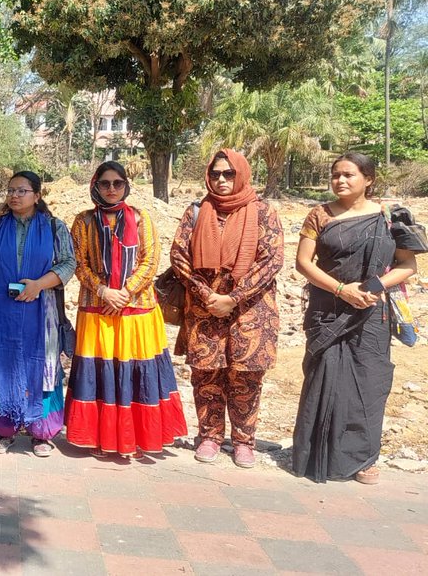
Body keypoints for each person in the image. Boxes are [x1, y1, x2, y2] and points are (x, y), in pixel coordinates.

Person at [293, 152, 425, 485]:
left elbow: (408, 266)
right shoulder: (319, 215)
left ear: (368, 179)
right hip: (327, 310)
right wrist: (342, 290)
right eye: (335, 174)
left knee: (368, 383)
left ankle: (362, 459)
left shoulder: (389, 217)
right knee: (323, 379)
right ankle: (313, 454)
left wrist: (372, 287)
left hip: (371, 313)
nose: (340, 180)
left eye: (349, 175)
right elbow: (303, 263)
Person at [170, 150, 284, 468]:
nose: (221, 180)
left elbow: (271, 259)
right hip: (204, 307)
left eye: (229, 174)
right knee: (206, 374)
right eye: (217, 173)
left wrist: (233, 298)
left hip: (251, 309)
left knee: (246, 377)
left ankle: (244, 441)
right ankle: (209, 435)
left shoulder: (263, 212)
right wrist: (207, 296)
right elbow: (179, 256)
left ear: (242, 175)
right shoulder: (195, 212)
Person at [66, 161, 187, 458]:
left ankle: (136, 439)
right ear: (95, 185)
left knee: (136, 374)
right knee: (101, 373)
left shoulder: (141, 218)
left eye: (117, 183)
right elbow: (78, 264)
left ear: (126, 185)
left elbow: (150, 260)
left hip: (137, 311)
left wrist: (126, 291)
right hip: (97, 309)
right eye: (105, 183)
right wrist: (104, 290)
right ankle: (100, 439)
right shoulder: (82, 222)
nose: (111, 189)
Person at [0, 171, 76, 456]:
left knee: (42, 368)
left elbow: (68, 265)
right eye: (11, 190)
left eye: (22, 191)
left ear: (37, 196)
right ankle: (3, 430)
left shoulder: (54, 228)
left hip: (42, 314)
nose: (14, 195)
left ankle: (41, 434)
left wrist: (39, 285)